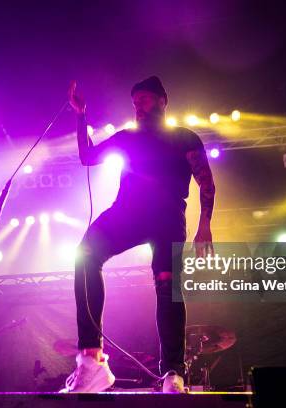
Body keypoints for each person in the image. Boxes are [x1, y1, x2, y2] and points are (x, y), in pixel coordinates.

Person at [62, 76, 215, 393]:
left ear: (162, 100)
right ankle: (92, 359)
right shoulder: (126, 137)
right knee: (85, 256)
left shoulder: (184, 138)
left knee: (167, 284)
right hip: (127, 212)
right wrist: (81, 116)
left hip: (167, 217)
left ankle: (173, 373)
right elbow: (87, 158)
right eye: (134, 102)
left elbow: (206, 183)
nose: (138, 106)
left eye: (143, 99)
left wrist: (204, 225)